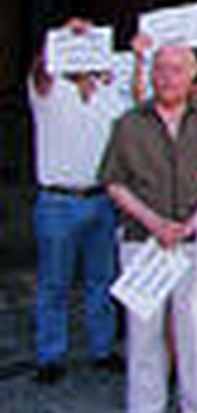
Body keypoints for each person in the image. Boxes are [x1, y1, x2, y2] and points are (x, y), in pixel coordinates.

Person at [100, 44, 197, 413]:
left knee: (193, 328)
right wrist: (155, 223)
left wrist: (192, 224)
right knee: (143, 329)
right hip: (143, 241)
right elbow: (114, 182)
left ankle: (196, 409)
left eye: (176, 69)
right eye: (160, 69)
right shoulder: (129, 123)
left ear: (193, 76)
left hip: (195, 239)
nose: (166, 77)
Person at [28, 19, 135, 383]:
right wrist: (61, 33)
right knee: (53, 283)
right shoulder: (48, 89)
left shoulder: (110, 93)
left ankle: (102, 349)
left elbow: (137, 103)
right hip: (58, 200)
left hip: (102, 198)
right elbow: (40, 69)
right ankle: (50, 355)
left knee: (101, 280)